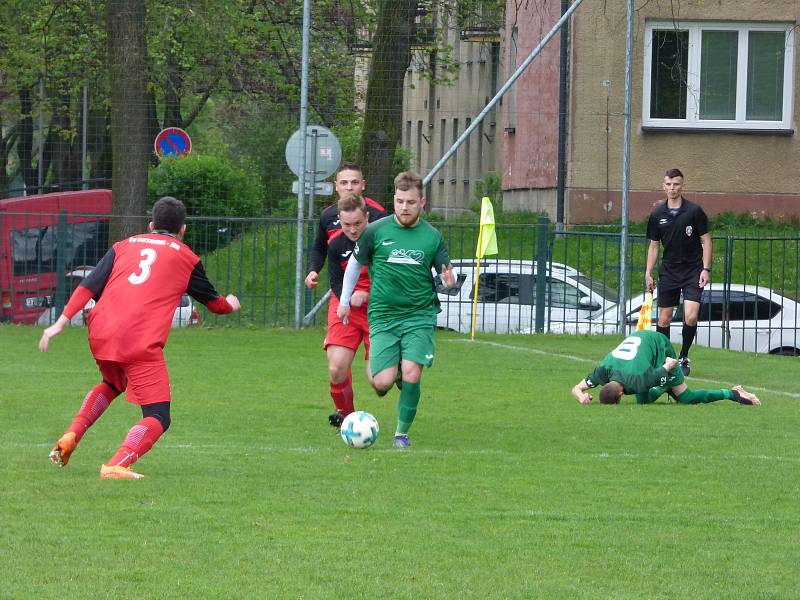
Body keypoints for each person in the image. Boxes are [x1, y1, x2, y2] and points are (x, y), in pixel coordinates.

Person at [39, 196, 241, 479]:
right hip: (138, 340)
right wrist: (232, 302)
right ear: (183, 230)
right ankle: (117, 464)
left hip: (100, 331)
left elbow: (88, 285)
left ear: (151, 225)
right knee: (158, 415)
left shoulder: (123, 246)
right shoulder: (186, 256)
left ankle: (71, 434)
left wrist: (59, 323)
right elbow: (216, 305)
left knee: (112, 383)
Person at [337, 171, 456, 448]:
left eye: (411, 202)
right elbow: (355, 265)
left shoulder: (432, 237)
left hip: (419, 315)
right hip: (383, 315)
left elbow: (446, 273)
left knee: (413, 372)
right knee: (381, 383)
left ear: (422, 202)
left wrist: (449, 282)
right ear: (394, 199)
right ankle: (396, 373)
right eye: (400, 201)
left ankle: (401, 435)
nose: (404, 207)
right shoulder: (375, 232)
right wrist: (344, 301)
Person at [305, 163, 386, 427]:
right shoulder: (329, 220)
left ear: (363, 185)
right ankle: (347, 416)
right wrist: (313, 271)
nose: (349, 187)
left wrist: (371, 293)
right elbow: (322, 252)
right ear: (336, 186)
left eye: (354, 182)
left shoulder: (381, 217)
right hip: (345, 300)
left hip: (377, 302)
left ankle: (391, 374)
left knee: (379, 380)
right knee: (336, 367)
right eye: (344, 183)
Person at [571, 330, 761, 406]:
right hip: (641, 341)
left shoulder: (641, 380)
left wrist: (668, 372)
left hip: (660, 346)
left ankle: (733, 393)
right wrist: (581, 396)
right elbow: (576, 388)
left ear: (621, 394)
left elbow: (669, 365)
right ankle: (665, 387)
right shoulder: (602, 370)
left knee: (686, 398)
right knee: (643, 397)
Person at [645, 168, 712, 377]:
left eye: (676, 184)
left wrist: (706, 268)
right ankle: (665, 358)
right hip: (669, 271)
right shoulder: (657, 214)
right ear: (663, 186)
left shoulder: (694, 211)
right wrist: (648, 272)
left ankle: (683, 356)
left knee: (691, 316)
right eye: (669, 184)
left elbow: (707, 240)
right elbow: (654, 245)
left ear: (682, 185)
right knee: (664, 319)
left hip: (693, 270)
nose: (672, 188)